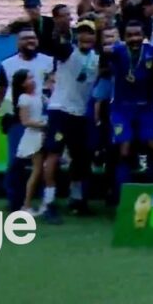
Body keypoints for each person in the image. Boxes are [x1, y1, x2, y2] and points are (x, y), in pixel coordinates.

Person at [0, 28, 54, 212]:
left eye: (32, 38)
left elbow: (54, 86)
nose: (30, 41)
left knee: (40, 165)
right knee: (16, 163)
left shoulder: (48, 62)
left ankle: (39, 202)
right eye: (25, 38)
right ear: (18, 43)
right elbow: (0, 92)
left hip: (42, 120)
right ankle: (14, 201)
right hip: (18, 119)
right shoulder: (7, 64)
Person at [43, 19, 99, 220]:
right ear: (77, 36)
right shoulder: (68, 52)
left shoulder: (97, 59)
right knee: (54, 155)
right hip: (61, 110)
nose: (86, 37)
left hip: (81, 114)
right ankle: (48, 202)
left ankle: (76, 199)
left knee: (81, 158)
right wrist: (59, 27)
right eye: (82, 32)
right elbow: (53, 44)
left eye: (90, 33)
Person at [101, 20, 153, 204]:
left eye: (137, 35)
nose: (134, 39)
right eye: (129, 35)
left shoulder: (152, 52)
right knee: (124, 149)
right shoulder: (118, 51)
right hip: (122, 108)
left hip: (147, 107)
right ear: (123, 37)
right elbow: (104, 49)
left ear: (143, 35)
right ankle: (121, 197)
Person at [13, 69, 48, 216]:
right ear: (22, 84)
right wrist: (44, 125)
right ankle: (26, 205)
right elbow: (25, 121)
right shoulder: (24, 98)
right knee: (37, 170)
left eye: (32, 77)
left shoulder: (39, 96)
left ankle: (40, 202)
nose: (32, 80)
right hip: (34, 137)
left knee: (42, 170)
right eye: (29, 79)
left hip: (42, 134)